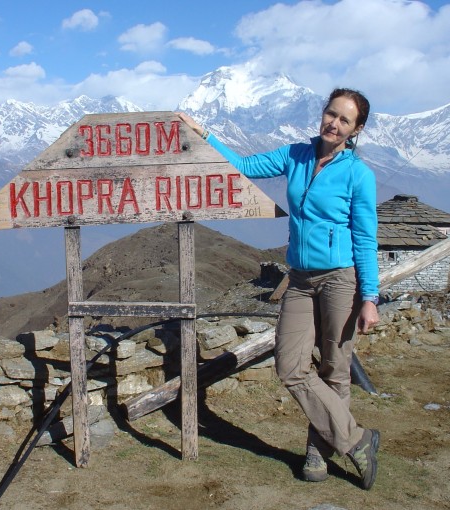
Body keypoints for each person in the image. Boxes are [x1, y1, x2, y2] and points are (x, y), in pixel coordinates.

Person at [178, 88, 381, 490]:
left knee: (336, 370)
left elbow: (366, 238)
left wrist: (370, 297)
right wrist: (206, 135)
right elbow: (244, 166)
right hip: (301, 279)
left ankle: (317, 452)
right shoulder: (296, 154)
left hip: (341, 279)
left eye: (344, 120)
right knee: (290, 367)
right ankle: (357, 439)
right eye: (330, 113)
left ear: (356, 130)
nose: (333, 123)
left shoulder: (358, 174)